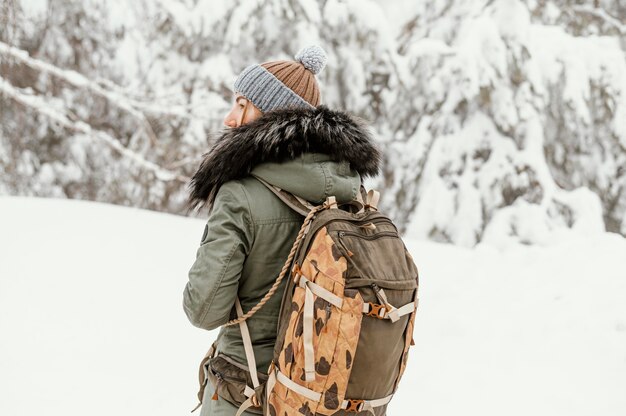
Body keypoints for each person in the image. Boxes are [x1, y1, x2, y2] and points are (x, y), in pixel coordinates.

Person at [183, 45, 381, 416]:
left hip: (247, 394)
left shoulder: (240, 194)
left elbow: (203, 309)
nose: (230, 119)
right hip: (324, 397)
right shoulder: (352, 192)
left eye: (241, 104)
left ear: (269, 113)